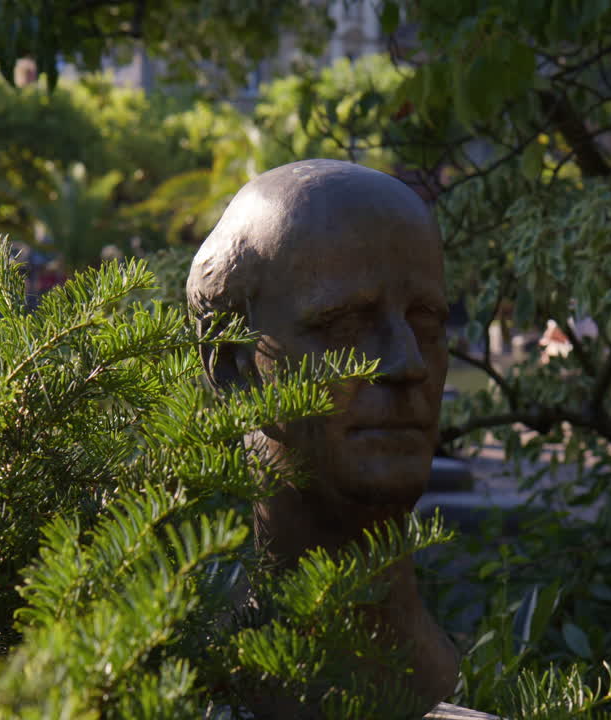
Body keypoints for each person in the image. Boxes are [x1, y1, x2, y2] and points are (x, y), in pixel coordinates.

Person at [187, 159, 458, 715]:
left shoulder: (451, 677)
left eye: (426, 327)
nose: (408, 364)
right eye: (344, 328)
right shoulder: (185, 683)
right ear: (233, 367)